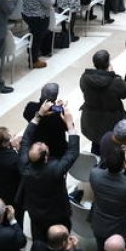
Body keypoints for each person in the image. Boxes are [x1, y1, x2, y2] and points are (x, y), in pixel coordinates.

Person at [19, 102, 80, 239]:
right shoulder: (56, 169)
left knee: (39, 239)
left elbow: (26, 139)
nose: (41, 143)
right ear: (46, 156)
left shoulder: (24, 166)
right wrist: (69, 124)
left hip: (36, 212)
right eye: (41, 146)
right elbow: (72, 153)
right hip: (57, 213)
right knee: (61, 239)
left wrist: (39, 115)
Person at [89, 147, 126, 251]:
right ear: (124, 165)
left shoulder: (94, 174)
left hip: (100, 225)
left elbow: (99, 166)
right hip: (122, 229)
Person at [79, 50, 126, 151]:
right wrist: (112, 74)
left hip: (91, 118)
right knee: (112, 148)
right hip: (112, 121)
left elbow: (83, 89)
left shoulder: (85, 78)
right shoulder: (115, 81)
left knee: (95, 144)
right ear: (108, 63)